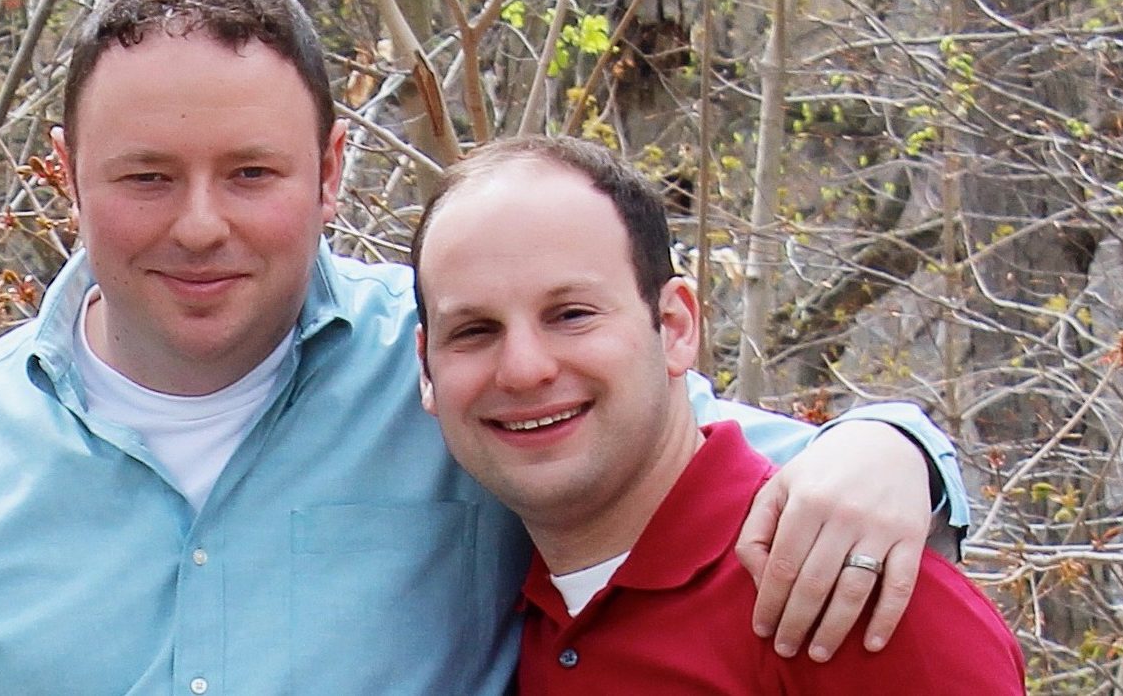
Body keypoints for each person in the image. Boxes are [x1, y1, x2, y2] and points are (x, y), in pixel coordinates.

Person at [0, 0, 973, 695]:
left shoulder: (465, 371)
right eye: (146, 176)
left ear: (332, 170)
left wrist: (897, 449)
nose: (200, 225)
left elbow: (691, 458)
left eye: (252, 172)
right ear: (64, 177)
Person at [411, 135, 1024, 693]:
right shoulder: (505, 622)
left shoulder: (844, 596)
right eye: (474, 330)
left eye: (572, 315)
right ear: (427, 370)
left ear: (675, 326)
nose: (523, 369)